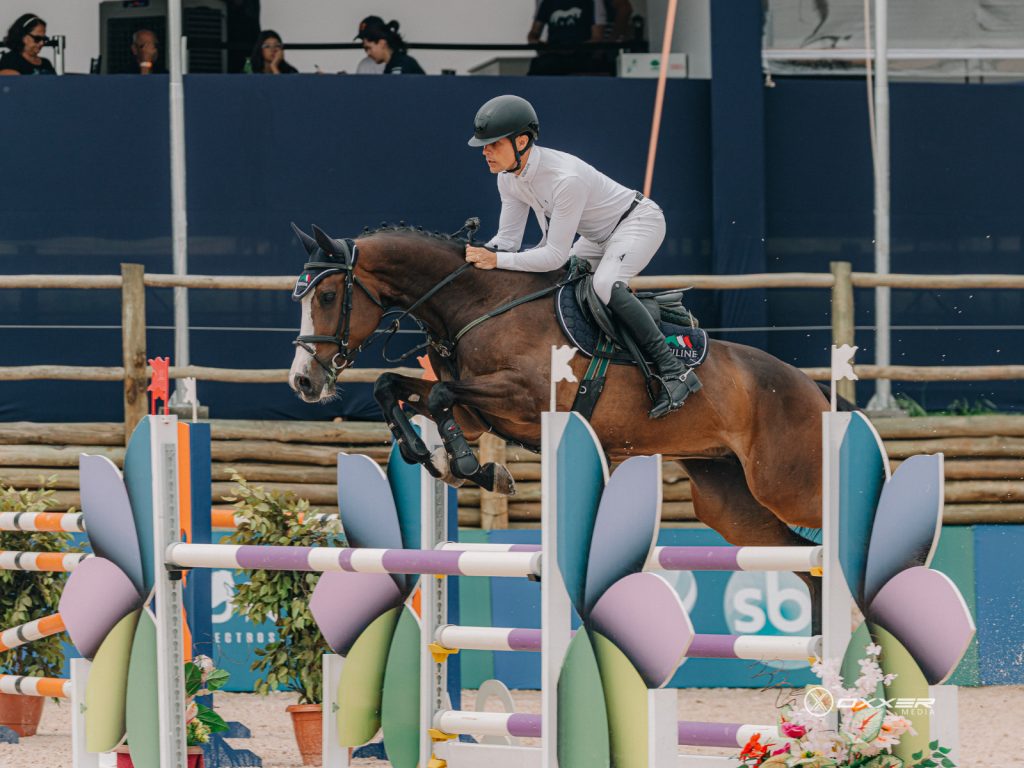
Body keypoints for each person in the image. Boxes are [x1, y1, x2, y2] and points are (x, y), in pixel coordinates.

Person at [464, 94, 698, 419]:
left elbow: (554, 255)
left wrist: (497, 261)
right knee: (560, 285)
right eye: (484, 146)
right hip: (597, 237)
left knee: (604, 285)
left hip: (637, 222)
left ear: (521, 141)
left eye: (493, 145)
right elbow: (507, 241)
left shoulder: (565, 179)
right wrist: (473, 258)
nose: (485, 152)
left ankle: (675, 371)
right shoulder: (509, 179)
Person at [527, 0, 604, 75]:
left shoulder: (594, 2)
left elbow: (597, 37)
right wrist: (537, 44)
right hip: (553, 56)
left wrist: (574, 49)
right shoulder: (546, 2)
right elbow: (534, 33)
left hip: (581, 57)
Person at [358, 18, 424, 75]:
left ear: (382, 43)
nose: (368, 53)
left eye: (369, 48)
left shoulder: (399, 65)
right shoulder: (392, 64)